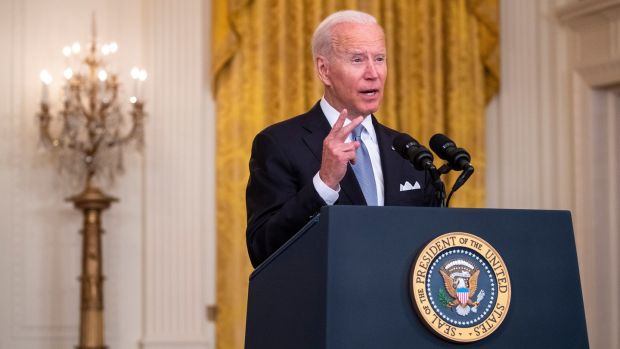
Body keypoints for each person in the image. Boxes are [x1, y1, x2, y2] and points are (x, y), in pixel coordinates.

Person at [245, 10, 435, 267]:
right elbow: (263, 249)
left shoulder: (406, 151)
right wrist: (324, 183)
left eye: (379, 59)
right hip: (323, 303)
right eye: (358, 60)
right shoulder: (279, 144)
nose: (373, 73)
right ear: (324, 70)